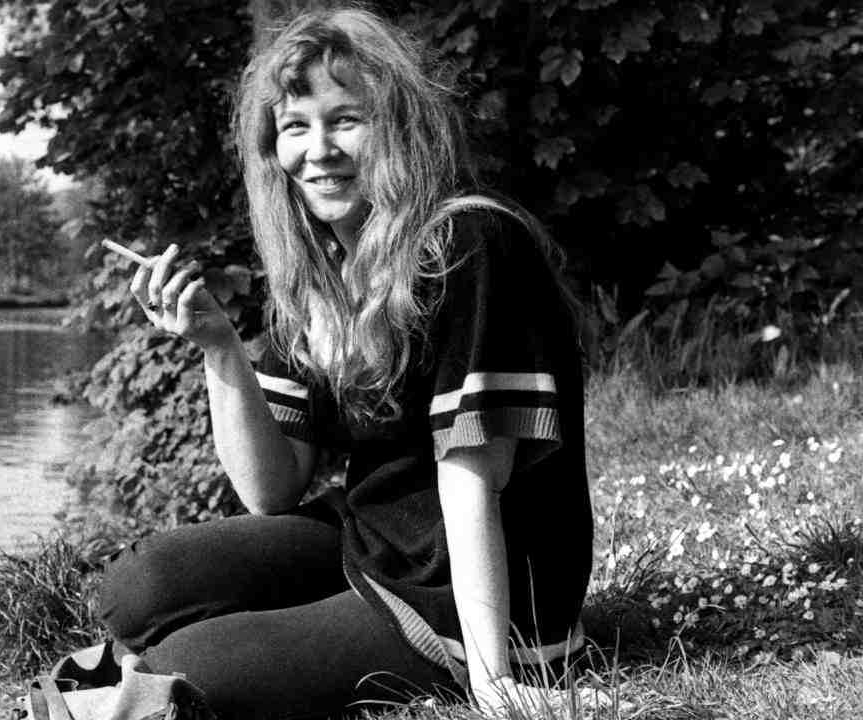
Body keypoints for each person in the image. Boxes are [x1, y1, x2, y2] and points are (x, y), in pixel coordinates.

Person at [89, 8, 593, 719]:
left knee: (181, 675)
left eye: (345, 119)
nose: (317, 150)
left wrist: (491, 681)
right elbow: (272, 491)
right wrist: (219, 348)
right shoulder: (323, 270)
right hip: (375, 545)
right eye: (295, 126)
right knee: (135, 589)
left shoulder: (468, 240)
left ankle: (420, 656)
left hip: (476, 597)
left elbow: (474, 472)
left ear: (398, 126)